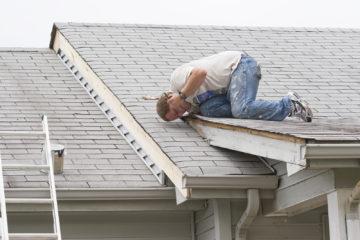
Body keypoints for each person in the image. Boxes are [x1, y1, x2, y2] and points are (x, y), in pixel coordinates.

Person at [156, 51, 313, 122]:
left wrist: (182, 95)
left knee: (241, 110)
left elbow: (200, 73)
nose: (181, 112)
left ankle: (289, 104)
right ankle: (253, 106)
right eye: (178, 116)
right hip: (230, 88)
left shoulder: (177, 81)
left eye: (176, 110)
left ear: (170, 98)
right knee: (208, 110)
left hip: (240, 66)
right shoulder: (190, 106)